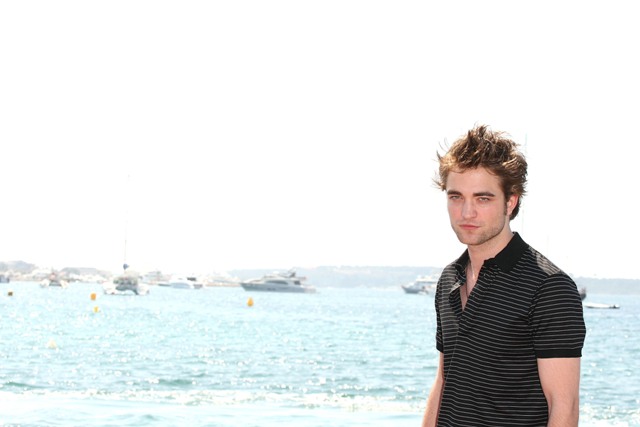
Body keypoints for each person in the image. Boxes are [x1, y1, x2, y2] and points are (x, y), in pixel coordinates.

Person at [422, 125, 586, 426]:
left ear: (510, 202)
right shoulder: (449, 278)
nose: (466, 213)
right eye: (456, 197)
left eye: (482, 199)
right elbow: (443, 382)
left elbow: (564, 407)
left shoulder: (549, 288)